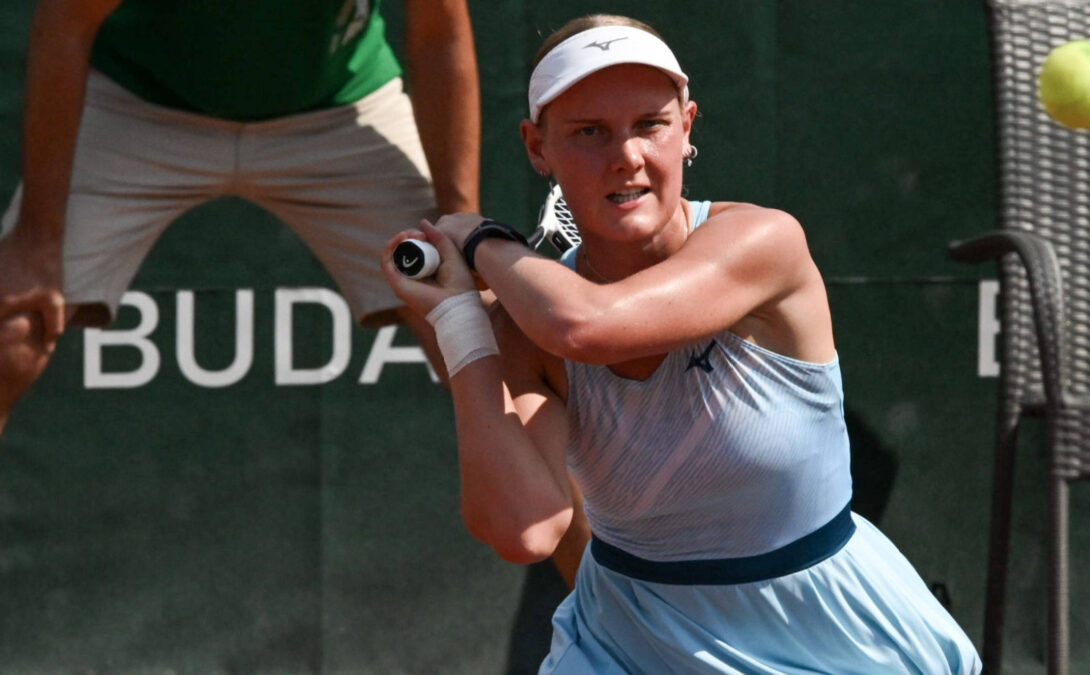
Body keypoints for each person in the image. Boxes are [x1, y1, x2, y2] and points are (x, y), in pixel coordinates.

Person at [383, 13, 983, 674]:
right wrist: (461, 322)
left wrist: (480, 238)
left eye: (650, 124)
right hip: (626, 641)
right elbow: (525, 527)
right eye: (589, 132)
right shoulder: (529, 321)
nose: (626, 156)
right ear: (537, 147)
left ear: (687, 126)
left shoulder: (764, 242)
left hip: (825, 629)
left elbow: (586, 326)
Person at [0, 0, 480, 436]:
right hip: (134, 102)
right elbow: (65, 20)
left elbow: (439, 33)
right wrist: (35, 242)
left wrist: (460, 225)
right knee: (12, 328)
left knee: (484, 340)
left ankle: (548, 529)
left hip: (340, 108)